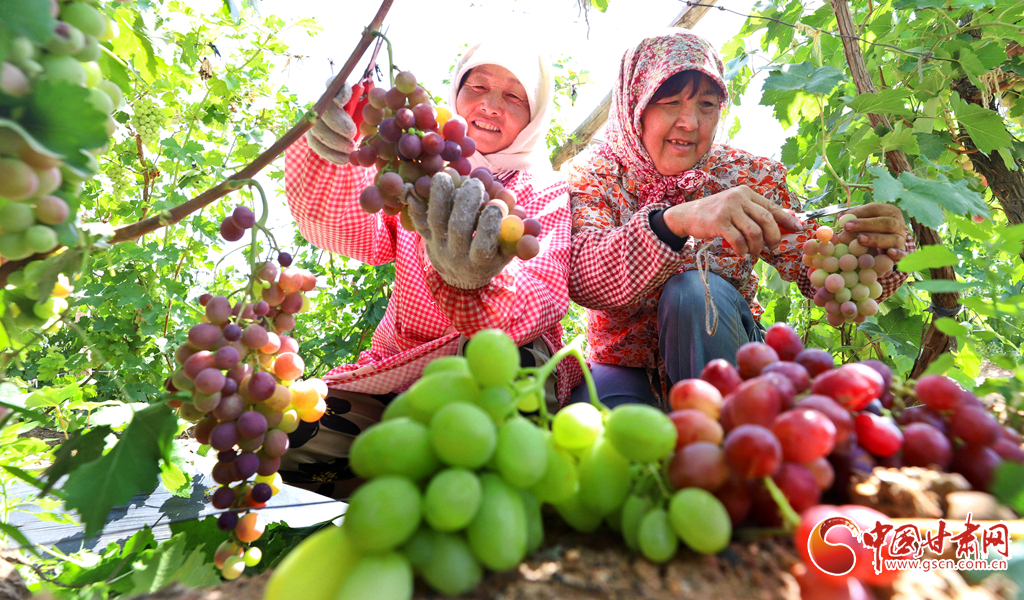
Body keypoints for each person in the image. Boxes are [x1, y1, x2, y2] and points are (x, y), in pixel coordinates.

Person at [279, 41, 580, 498]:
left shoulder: (545, 190)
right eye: (477, 86)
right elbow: (350, 231)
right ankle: (412, 488)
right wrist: (330, 155)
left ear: (534, 115)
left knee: (508, 357)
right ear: (456, 92)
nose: (490, 105)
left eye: (514, 96)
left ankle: (475, 490)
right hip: (399, 378)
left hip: (488, 378)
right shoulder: (417, 168)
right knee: (291, 432)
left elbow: (545, 296)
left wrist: (477, 285)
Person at [566, 30, 914, 409]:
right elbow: (584, 279)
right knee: (603, 424)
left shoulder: (747, 177)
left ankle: (731, 428)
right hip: (625, 364)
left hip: (730, 358)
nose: (690, 122)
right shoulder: (595, 176)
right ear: (635, 105)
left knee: (693, 293)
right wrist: (675, 221)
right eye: (669, 102)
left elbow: (817, 269)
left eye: (707, 104)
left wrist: (874, 248)